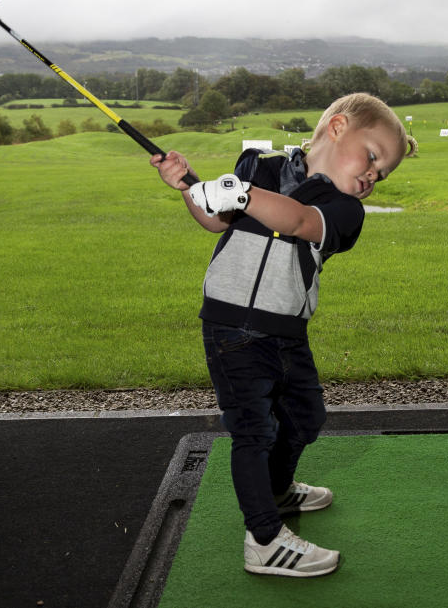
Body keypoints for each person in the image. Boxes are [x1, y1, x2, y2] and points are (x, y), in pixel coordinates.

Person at [153, 93, 411, 577]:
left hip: (285, 330)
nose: (375, 175)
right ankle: (265, 540)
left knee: (305, 416)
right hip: (230, 325)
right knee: (254, 429)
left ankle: (276, 487)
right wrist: (187, 184)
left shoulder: (343, 210)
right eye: (373, 156)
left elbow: (296, 221)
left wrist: (240, 194)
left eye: (384, 173)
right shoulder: (260, 170)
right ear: (337, 128)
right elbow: (216, 219)